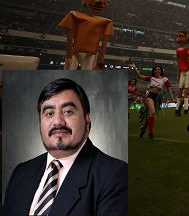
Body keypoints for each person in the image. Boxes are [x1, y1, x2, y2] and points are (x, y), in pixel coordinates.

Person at [4, 78, 127, 215]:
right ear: (40, 123)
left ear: (87, 121)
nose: (57, 121)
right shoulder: (21, 172)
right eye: (49, 113)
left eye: (68, 111)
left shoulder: (115, 175)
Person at [58, 0, 113, 70]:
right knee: (68, 72)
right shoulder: (74, 15)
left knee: (88, 75)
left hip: (92, 53)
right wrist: (69, 55)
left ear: (108, 3)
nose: (100, 1)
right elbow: (70, 37)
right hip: (75, 50)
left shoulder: (106, 22)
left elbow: (104, 43)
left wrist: (101, 61)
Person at [130, 63, 175, 139]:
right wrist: (134, 67)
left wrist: (172, 98)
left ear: (161, 71)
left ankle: (144, 128)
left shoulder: (164, 79)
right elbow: (139, 76)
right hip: (150, 96)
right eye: (156, 69)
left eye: (159, 69)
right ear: (154, 71)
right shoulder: (151, 78)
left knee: (151, 115)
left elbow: (169, 89)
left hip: (158, 98)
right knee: (153, 112)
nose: (157, 70)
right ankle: (150, 133)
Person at [174, 30, 189, 116]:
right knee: (180, 90)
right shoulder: (178, 50)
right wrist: (178, 73)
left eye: (181, 36)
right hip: (182, 71)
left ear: (186, 38)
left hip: (187, 72)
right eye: (178, 36)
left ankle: (186, 108)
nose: (179, 38)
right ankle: (177, 108)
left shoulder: (188, 49)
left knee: (186, 90)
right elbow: (178, 62)